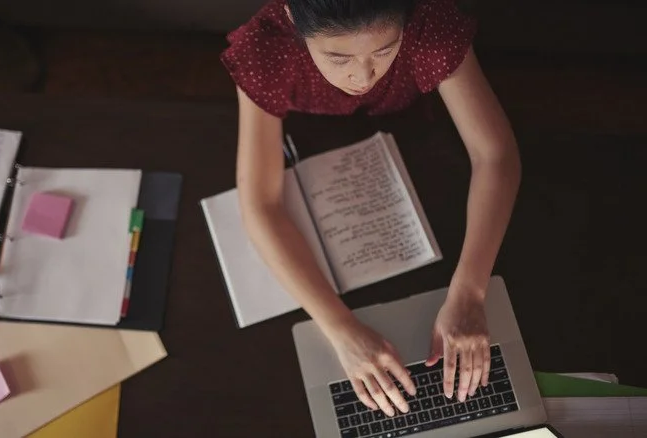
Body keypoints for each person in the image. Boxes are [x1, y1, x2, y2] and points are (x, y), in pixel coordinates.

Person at [220, 0, 521, 418]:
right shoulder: (266, 50)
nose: (362, 76)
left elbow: (495, 156)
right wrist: (339, 329)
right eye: (338, 57)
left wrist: (470, 292)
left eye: (383, 50)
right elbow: (260, 204)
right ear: (291, 17)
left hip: (417, 137)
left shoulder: (430, 27)